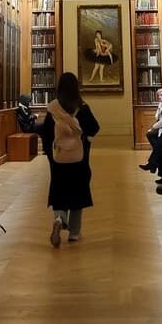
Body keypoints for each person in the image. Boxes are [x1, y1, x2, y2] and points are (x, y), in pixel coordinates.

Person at [38, 71, 99, 247]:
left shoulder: (53, 108)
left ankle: (59, 218)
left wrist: (51, 155)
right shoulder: (82, 107)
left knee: (59, 190)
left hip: (59, 158)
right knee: (78, 193)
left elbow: (46, 133)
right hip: (79, 159)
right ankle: (74, 232)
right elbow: (94, 127)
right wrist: (85, 140)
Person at [139, 92, 162, 173]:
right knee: (158, 148)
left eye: (161, 95)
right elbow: (157, 116)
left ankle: (152, 164)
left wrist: (153, 127)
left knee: (159, 148)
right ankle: (153, 164)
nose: (159, 97)